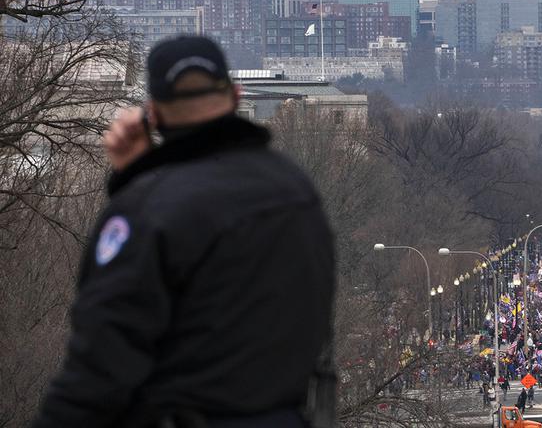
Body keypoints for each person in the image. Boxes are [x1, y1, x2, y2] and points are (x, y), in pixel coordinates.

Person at [30, 36, 336, 428]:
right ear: (236, 96)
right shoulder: (297, 192)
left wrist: (136, 185)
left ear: (152, 114)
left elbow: (101, 367)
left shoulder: (147, 211)